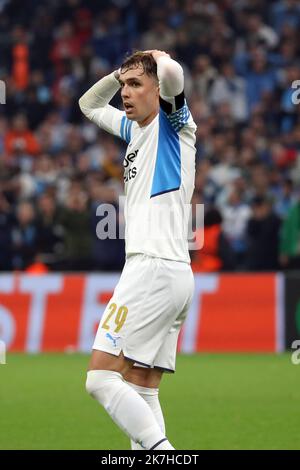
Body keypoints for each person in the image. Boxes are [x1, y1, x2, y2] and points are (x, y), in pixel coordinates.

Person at [79, 49, 196, 450]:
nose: (125, 93)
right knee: (142, 389)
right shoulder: (136, 132)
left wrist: (155, 56)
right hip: (174, 274)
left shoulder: (174, 123)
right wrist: (119, 72)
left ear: (157, 91)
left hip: (152, 270)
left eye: (135, 84)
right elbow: (88, 104)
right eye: (124, 85)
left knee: (100, 379)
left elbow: (174, 72)